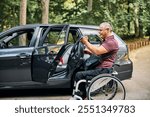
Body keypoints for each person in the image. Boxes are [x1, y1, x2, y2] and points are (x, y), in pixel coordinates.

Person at [70, 22, 119, 100]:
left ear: (107, 30)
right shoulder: (107, 41)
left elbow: (97, 51)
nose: (99, 32)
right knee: (80, 69)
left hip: (103, 69)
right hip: (101, 67)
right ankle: (82, 94)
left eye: (101, 30)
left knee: (78, 75)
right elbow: (100, 53)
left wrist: (86, 42)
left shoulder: (111, 42)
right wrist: (89, 51)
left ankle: (82, 96)